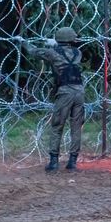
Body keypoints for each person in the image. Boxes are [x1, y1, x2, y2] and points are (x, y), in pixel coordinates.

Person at [19, 27, 85, 172]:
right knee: (76, 127)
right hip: (79, 91)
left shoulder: (52, 52)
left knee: (57, 126)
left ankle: (54, 162)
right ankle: (72, 162)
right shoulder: (78, 52)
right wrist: (54, 44)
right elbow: (63, 51)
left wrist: (23, 42)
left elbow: (33, 52)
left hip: (65, 91)